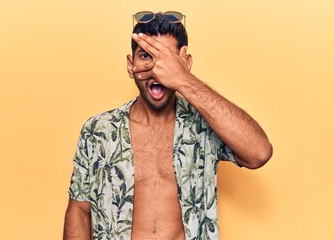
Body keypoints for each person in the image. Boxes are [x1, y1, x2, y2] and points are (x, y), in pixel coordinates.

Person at [63, 11, 273, 240]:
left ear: (185, 63)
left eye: (167, 60)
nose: (157, 69)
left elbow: (259, 153)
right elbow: (80, 212)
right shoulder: (99, 131)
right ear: (130, 64)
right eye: (146, 56)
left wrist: (183, 79)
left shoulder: (204, 124)